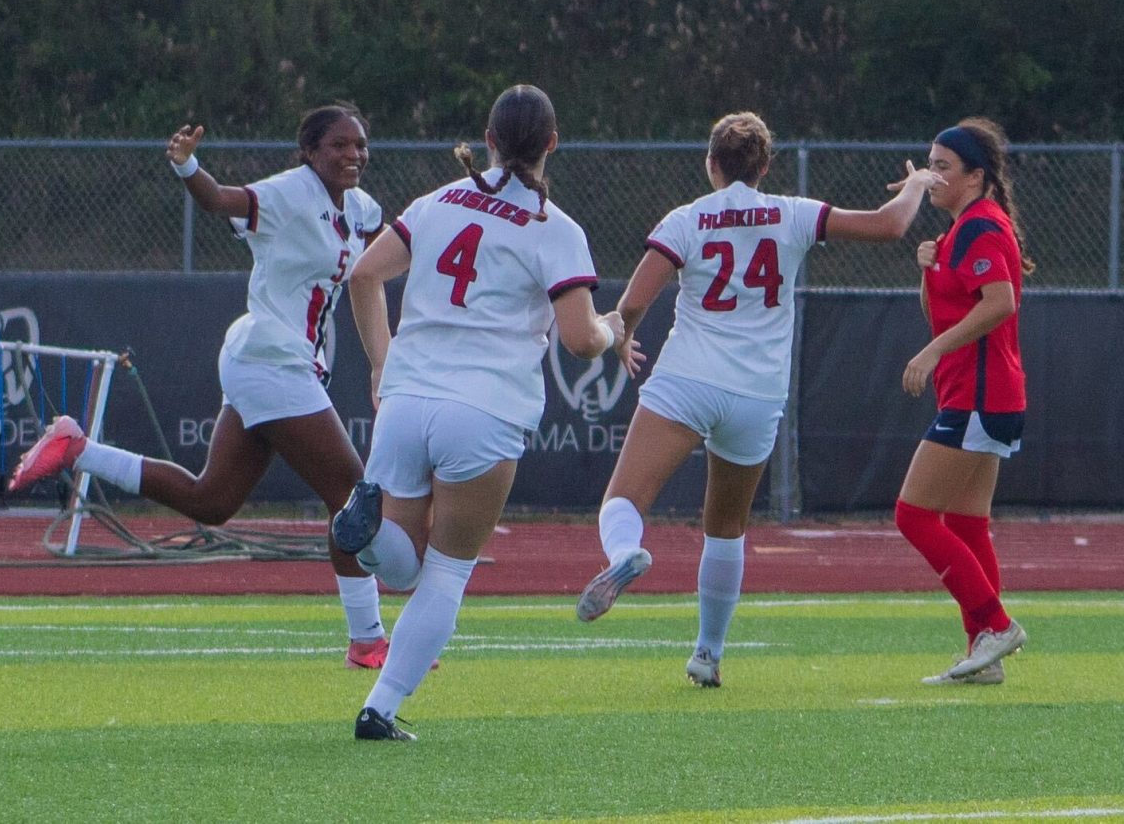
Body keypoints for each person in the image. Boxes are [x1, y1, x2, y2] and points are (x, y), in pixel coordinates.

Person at [8, 104, 395, 670]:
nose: (353, 154)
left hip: (274, 361)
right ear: (310, 151)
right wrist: (188, 166)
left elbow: (389, 257)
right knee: (353, 497)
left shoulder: (361, 209)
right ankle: (368, 641)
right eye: (339, 144)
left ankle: (80, 449)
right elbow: (219, 200)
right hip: (271, 355)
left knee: (211, 501)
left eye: (361, 144)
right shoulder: (291, 192)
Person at [574, 111, 944, 689]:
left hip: (689, 378)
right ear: (766, 166)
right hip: (757, 393)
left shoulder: (688, 218)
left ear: (711, 163)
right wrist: (919, 183)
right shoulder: (792, 212)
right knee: (726, 527)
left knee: (623, 499)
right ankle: (708, 654)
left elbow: (635, 299)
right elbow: (889, 226)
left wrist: (622, 338)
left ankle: (626, 552)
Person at [331, 84, 638, 741]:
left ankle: (360, 533)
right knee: (445, 570)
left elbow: (363, 275)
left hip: (407, 398)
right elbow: (582, 339)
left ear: (489, 137)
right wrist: (613, 327)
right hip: (485, 411)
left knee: (402, 561)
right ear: (553, 144)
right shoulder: (556, 228)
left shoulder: (437, 200)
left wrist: (382, 363)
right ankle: (379, 708)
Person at [897, 117, 1032, 686]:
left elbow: (999, 303)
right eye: (930, 164)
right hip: (981, 395)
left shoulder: (981, 227)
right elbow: (945, 311)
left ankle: (997, 625)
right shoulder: (957, 233)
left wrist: (928, 354)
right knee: (968, 523)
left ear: (975, 177)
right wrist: (927, 273)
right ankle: (985, 651)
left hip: (981, 396)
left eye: (943, 167)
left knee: (913, 515)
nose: (932, 176)